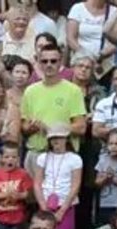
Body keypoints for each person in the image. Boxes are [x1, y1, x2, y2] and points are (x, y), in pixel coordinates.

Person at [19, 44, 86, 173]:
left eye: (53, 61)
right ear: (39, 63)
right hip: (35, 153)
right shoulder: (30, 91)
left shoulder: (73, 91)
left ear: (60, 62)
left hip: (63, 155)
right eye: (44, 61)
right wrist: (32, 127)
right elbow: (24, 127)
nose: (49, 64)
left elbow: (81, 127)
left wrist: (51, 128)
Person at [34, 124, 83, 229]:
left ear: (66, 139)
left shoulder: (75, 159)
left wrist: (62, 210)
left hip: (65, 204)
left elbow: (75, 185)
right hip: (46, 203)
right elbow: (37, 183)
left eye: (59, 137)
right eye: (53, 138)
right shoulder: (43, 157)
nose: (56, 140)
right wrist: (43, 207)